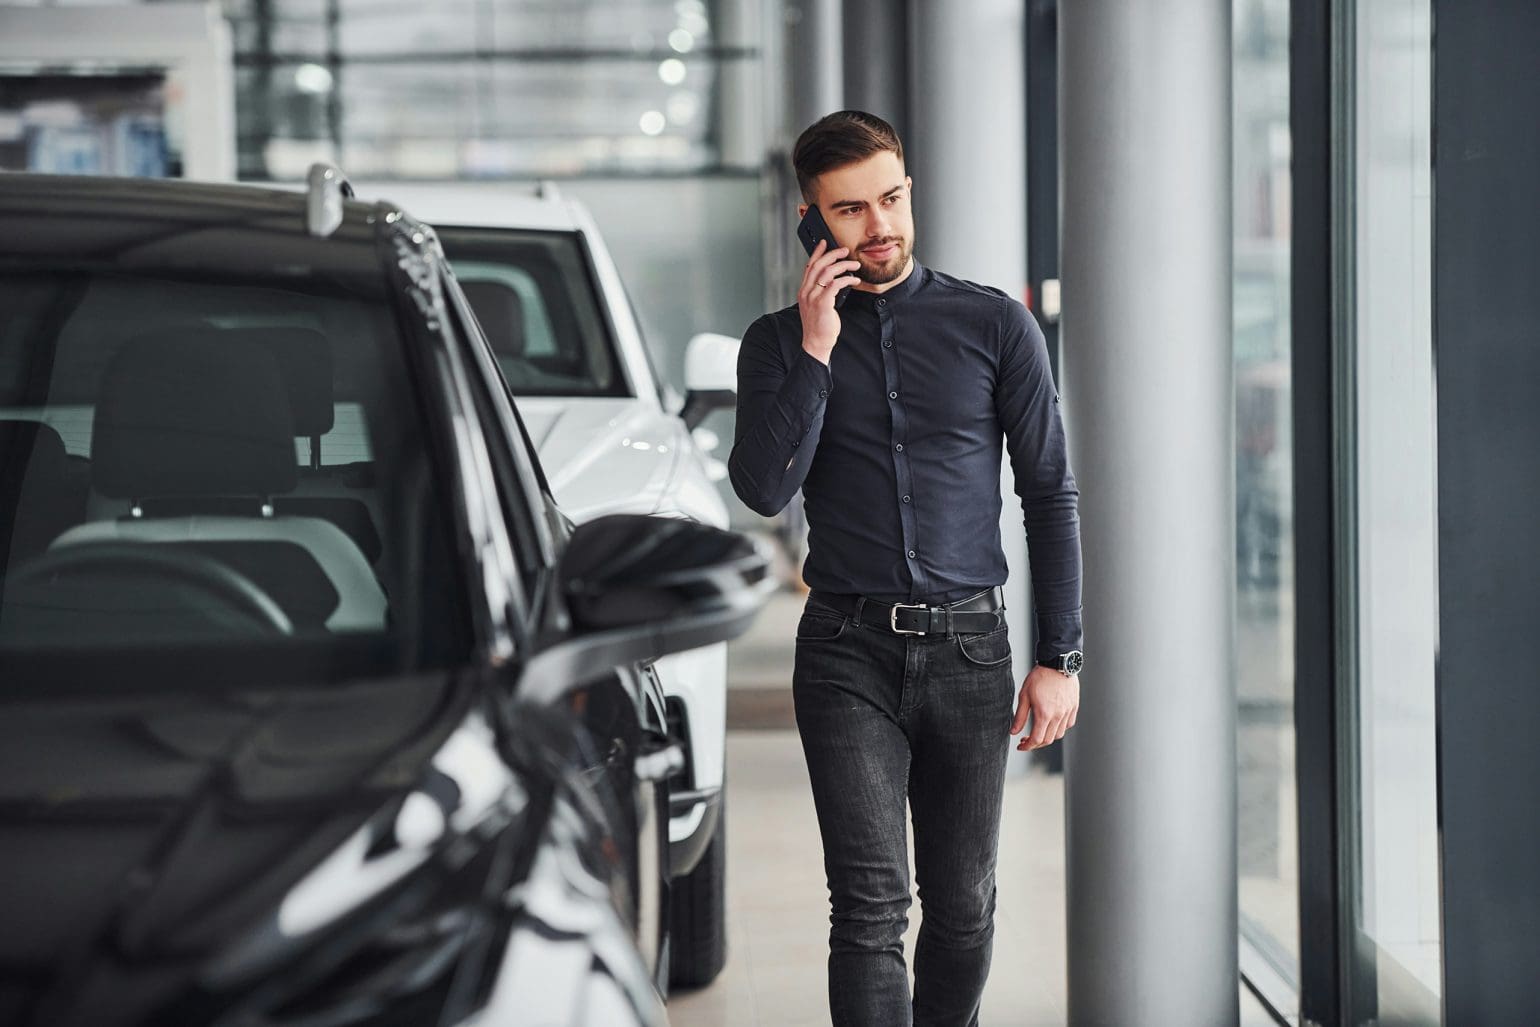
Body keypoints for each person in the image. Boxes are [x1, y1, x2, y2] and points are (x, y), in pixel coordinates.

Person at [728, 110, 1085, 1027]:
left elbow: (1049, 491)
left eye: (890, 199)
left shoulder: (996, 325)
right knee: (871, 909)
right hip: (845, 650)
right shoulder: (776, 343)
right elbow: (765, 490)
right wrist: (816, 348)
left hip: (972, 650)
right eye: (849, 211)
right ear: (812, 222)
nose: (878, 225)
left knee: (964, 905)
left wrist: (1060, 656)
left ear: (908, 190)